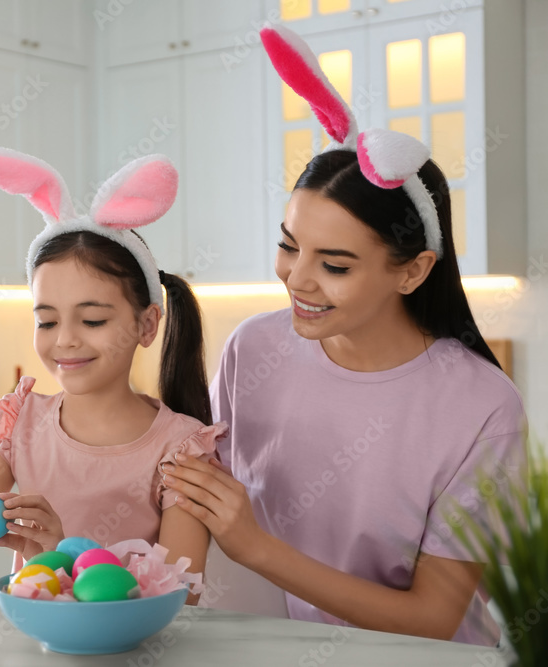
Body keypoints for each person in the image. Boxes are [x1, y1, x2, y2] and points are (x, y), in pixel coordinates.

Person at [162, 25, 528, 644]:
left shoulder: (482, 406)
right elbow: (194, 507)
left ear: (412, 271)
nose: (296, 279)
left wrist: (257, 548)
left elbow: (434, 618)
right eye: (287, 245)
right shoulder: (253, 349)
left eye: (334, 265)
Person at [0, 147, 224, 597]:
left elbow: (180, 596)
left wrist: (63, 557)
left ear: (146, 324)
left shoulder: (181, 451)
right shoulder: (20, 424)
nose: (65, 339)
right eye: (47, 321)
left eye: (92, 321)